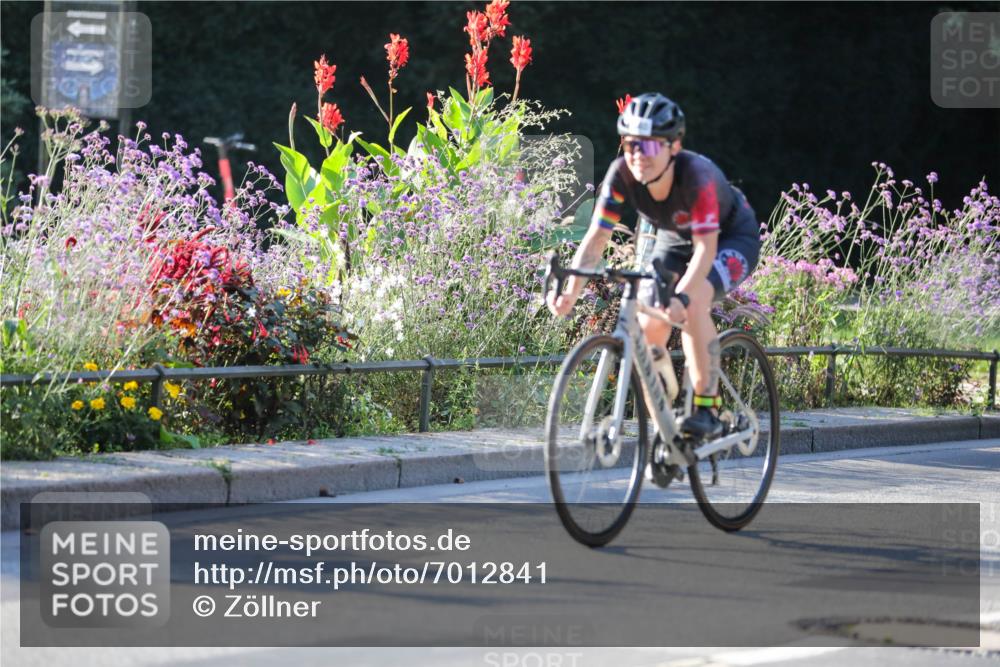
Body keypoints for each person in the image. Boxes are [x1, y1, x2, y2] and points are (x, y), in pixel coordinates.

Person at [546, 92, 761, 440]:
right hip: (674, 238)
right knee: (647, 329)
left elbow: (706, 249)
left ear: (673, 147)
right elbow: (596, 239)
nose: (636, 155)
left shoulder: (697, 177)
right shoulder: (621, 175)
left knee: (693, 305)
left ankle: (706, 407)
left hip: (729, 237)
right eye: (630, 144)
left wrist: (684, 298)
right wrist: (571, 291)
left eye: (647, 146)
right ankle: (668, 430)